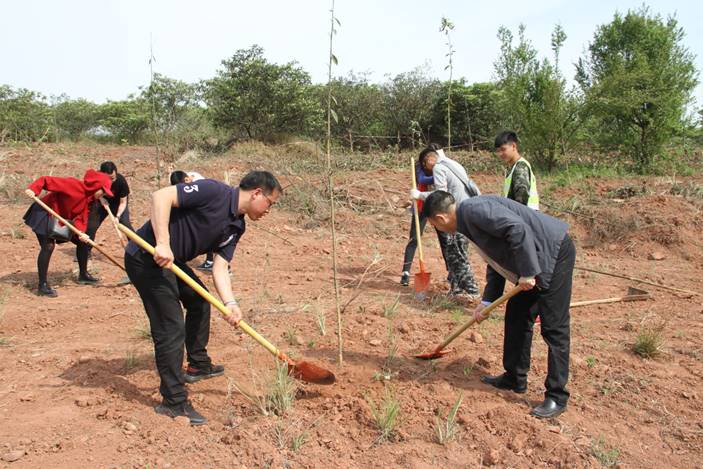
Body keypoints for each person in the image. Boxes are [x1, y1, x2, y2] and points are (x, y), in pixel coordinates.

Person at [125, 170, 282, 425]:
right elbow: (161, 196)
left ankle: (198, 364)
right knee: (170, 328)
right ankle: (173, 402)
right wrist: (162, 243)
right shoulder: (213, 191)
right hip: (146, 256)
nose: (268, 211)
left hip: (171, 261)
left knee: (200, 300)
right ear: (256, 193)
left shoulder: (236, 226)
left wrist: (231, 304)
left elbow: (220, 267)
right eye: (270, 203)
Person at [422, 191, 575, 419]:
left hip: (552, 253)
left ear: (440, 219)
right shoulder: (468, 220)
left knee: (554, 327)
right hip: (533, 259)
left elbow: (517, 229)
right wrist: (486, 301)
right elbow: (496, 260)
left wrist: (527, 272)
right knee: (516, 317)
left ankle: (556, 396)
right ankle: (514, 377)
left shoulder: (474, 211)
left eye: (434, 225)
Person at [23, 170, 114, 297]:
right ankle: (42, 286)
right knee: (48, 246)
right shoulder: (73, 185)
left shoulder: (90, 199)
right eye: (103, 191)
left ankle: (83, 275)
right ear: (96, 187)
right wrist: (33, 189)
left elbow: (81, 217)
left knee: (82, 242)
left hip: (60, 219)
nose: (103, 194)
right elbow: (45, 180)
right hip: (44, 213)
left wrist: (81, 233)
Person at [410, 145, 481, 296]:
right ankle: (456, 288)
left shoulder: (438, 168)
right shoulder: (453, 163)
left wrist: (420, 195)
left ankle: (471, 290)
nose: (426, 168)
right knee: (455, 252)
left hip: (457, 215)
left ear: (430, 158)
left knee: (457, 254)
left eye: (424, 164)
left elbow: (441, 195)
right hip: (468, 210)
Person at [400, 145, 450, 286]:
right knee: (414, 239)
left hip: (438, 207)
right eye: (430, 160)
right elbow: (422, 180)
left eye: (435, 158)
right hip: (422, 206)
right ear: (423, 161)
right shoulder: (419, 169)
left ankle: (451, 271)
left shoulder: (441, 167)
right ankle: (405, 272)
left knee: (444, 240)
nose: (433, 162)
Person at [84, 161, 134, 284]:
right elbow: (92, 193)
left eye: (112, 177)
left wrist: (117, 217)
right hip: (102, 204)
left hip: (118, 205)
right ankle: (86, 251)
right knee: (91, 226)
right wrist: (101, 198)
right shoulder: (96, 178)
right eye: (108, 178)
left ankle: (138, 250)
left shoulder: (121, 181)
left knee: (126, 225)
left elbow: (123, 202)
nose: (111, 180)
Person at [169, 170, 214, 271]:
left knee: (211, 235)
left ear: (187, 180)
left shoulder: (199, 184)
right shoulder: (185, 178)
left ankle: (216, 263)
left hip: (207, 210)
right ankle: (210, 261)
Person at [495, 131, 539, 210]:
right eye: (498, 151)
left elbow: (521, 202)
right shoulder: (513, 168)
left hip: (525, 218)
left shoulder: (520, 167)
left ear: (514, 146)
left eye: (503, 149)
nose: (500, 154)